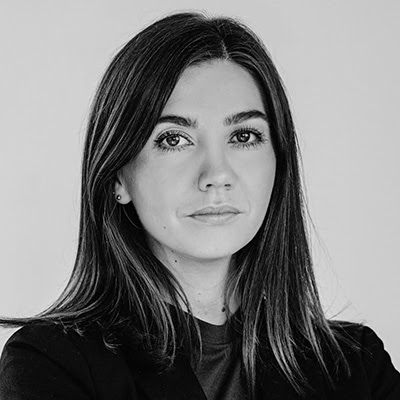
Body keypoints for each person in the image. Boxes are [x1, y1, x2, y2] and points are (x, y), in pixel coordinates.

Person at [0, 11, 399, 400]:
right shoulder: (50, 364)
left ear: (279, 162)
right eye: (174, 139)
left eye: (243, 136)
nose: (217, 174)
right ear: (118, 175)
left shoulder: (357, 366)